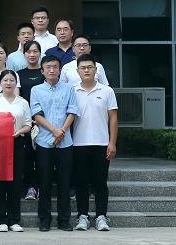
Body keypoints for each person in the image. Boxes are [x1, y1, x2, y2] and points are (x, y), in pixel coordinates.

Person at [30, 55, 80, 232]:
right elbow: (36, 115)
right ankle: (44, 220)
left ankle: (64, 220)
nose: (52, 70)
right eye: (48, 67)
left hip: (65, 143)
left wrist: (62, 131)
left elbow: (72, 111)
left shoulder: (68, 88)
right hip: (44, 142)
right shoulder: (36, 90)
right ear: (42, 71)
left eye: (55, 67)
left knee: (64, 183)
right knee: (44, 183)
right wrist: (54, 130)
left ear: (60, 69)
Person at [71, 54, 118, 232]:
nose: (86, 70)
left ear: (96, 70)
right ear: (78, 71)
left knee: (100, 182)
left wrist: (112, 142)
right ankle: (82, 216)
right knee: (81, 182)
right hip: (78, 144)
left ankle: (101, 216)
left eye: (89, 67)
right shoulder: (72, 91)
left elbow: (113, 118)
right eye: (83, 68)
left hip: (101, 143)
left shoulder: (107, 91)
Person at [0, 70, 31, 233]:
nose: (8, 83)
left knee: (15, 182)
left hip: (17, 142)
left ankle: (14, 220)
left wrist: (19, 132)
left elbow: (28, 124)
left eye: (12, 80)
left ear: (16, 83)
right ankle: (1, 219)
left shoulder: (22, 102)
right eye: (5, 80)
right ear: (0, 83)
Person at [17, 40, 44, 200]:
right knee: (27, 156)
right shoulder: (19, 74)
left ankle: (42, 186)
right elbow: (18, 99)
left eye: (35, 51)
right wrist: (28, 119)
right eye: (29, 51)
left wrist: (40, 118)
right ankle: (30, 187)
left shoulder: (45, 71)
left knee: (42, 157)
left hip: (44, 121)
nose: (32, 54)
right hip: (26, 122)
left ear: (40, 53)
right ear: (24, 54)